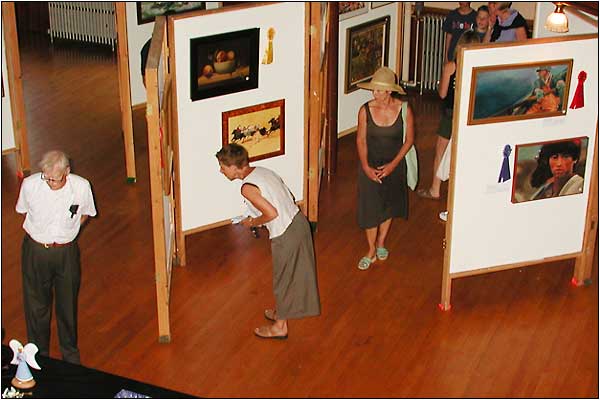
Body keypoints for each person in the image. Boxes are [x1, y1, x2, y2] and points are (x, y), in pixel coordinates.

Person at [216, 144, 320, 339]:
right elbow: (287, 196)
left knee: (282, 278)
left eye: (222, 166)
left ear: (233, 166)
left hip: (286, 233)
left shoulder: (247, 188)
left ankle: (280, 327)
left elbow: (272, 213)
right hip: (299, 222)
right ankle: (283, 312)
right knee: (292, 274)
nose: (220, 170)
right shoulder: (262, 171)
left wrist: (252, 222)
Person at [16, 150, 97, 364]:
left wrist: (67, 233)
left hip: (66, 252)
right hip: (36, 251)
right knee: (36, 304)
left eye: (55, 178)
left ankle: (70, 354)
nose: (50, 182)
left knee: (67, 303)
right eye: (46, 177)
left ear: (67, 172)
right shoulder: (31, 185)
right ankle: (37, 354)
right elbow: (23, 210)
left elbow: (86, 213)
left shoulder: (81, 187)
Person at [355, 67, 414, 270]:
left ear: (389, 91)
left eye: (380, 90)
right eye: (374, 90)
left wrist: (392, 166)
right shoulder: (365, 110)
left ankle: (381, 243)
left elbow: (409, 141)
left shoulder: (404, 109)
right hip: (370, 165)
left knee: (389, 206)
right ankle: (370, 249)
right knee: (370, 208)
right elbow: (361, 140)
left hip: (394, 165)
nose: (375, 94)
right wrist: (365, 167)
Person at [417, 30, 482, 202]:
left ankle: (435, 189)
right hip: (470, 115)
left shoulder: (451, 66)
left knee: (441, 151)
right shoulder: (480, 67)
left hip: (450, 114)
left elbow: (443, 94)